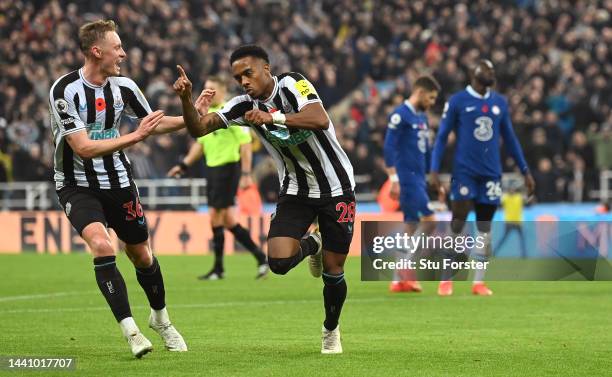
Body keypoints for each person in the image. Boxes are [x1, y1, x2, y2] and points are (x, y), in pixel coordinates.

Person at [173, 45, 355, 354]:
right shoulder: (242, 106)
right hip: (296, 190)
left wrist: (273, 118)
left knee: (334, 270)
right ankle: (315, 244)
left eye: (248, 73)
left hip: (336, 186)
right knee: (279, 262)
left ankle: (331, 330)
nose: (243, 81)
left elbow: (319, 118)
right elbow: (199, 129)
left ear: (266, 69)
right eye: (237, 77)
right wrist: (186, 101)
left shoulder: (293, 83)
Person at [49, 20, 187, 358]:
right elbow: (82, 147)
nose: (123, 54)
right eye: (118, 47)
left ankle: (161, 320)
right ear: (98, 51)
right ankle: (132, 332)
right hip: (76, 184)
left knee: (141, 255)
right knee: (101, 244)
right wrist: (135, 136)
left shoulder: (124, 86)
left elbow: (153, 123)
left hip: (120, 183)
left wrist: (192, 113)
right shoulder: (64, 90)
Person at [430, 59, 535, 296]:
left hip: (491, 174)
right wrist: (434, 169)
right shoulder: (457, 101)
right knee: (457, 224)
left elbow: (511, 139)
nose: (491, 73)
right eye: (487, 69)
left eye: (493, 70)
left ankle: (478, 282)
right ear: (474, 73)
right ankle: (446, 279)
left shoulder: (500, 102)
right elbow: (442, 136)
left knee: (484, 227)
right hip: (464, 172)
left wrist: (525, 170)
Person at [167, 77, 268, 280]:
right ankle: (261, 258)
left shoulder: (230, 112)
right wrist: (184, 165)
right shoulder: (206, 116)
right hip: (212, 170)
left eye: (212, 89)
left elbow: (246, 143)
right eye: (206, 89)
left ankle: (218, 269)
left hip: (228, 169)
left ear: (222, 91)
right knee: (229, 220)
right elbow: (200, 145)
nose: (208, 92)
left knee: (216, 216)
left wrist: (247, 174)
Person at [383, 75, 441, 293]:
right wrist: (394, 178)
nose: (432, 102)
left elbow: (425, 150)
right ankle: (406, 268)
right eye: (432, 98)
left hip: (419, 178)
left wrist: (432, 178)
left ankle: (398, 280)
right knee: (430, 222)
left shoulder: (421, 117)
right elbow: (389, 147)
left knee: (411, 226)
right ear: (420, 93)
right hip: (407, 178)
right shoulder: (400, 115)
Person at [494, 181, 527, 258]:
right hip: (509, 222)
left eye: (513, 189)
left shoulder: (518, 197)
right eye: (510, 189)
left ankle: (524, 254)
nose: (512, 190)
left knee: (521, 239)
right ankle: (494, 251)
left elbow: (527, 200)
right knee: (504, 238)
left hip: (518, 221)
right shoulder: (506, 197)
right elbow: (498, 201)